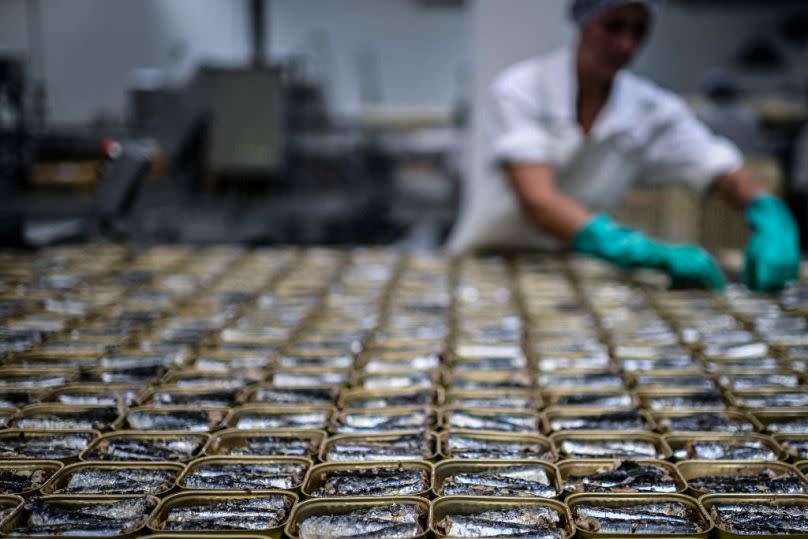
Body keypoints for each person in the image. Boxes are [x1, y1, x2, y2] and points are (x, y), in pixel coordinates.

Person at [448, 0, 800, 292]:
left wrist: (767, 211)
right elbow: (538, 200)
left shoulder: (652, 108)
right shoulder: (521, 88)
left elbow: (721, 167)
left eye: (638, 30)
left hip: (581, 267)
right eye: (613, 26)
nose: (626, 44)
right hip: (494, 260)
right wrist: (632, 247)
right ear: (583, 23)